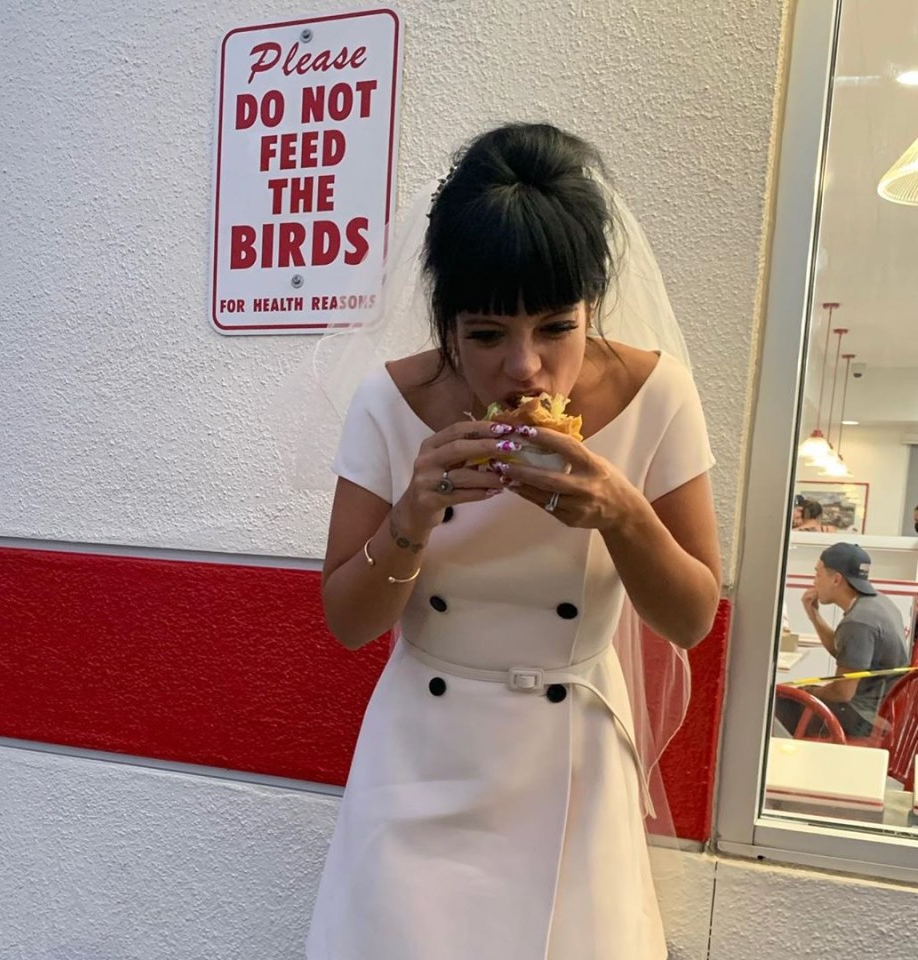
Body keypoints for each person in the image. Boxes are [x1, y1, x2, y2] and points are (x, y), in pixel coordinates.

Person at [307, 123, 721, 960]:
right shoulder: (388, 406)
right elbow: (348, 623)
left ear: (590, 309)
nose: (526, 369)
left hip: (571, 762)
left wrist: (623, 513)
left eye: (556, 328)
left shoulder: (659, 396)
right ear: (446, 322)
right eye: (488, 334)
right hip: (421, 758)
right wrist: (410, 518)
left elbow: (692, 619)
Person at [776, 542, 908, 738]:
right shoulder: (879, 603)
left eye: (818, 574)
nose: (814, 582)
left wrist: (807, 691)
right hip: (885, 710)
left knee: (776, 706)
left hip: (864, 717)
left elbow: (842, 693)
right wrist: (814, 616)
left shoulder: (858, 622)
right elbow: (845, 655)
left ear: (836, 579)